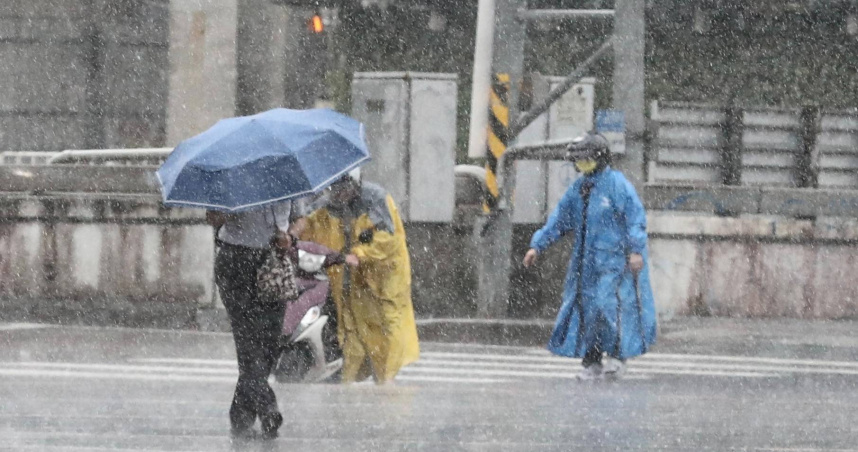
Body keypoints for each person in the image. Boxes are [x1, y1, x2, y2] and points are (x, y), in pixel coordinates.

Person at [522, 132, 657, 381]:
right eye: (578, 161)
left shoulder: (617, 185)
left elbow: (634, 219)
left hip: (614, 262)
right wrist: (537, 246)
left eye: (586, 160)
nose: (581, 165)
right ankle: (592, 360)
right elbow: (560, 219)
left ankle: (617, 356)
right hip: (585, 264)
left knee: (610, 307)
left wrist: (636, 250)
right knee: (588, 312)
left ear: (600, 158)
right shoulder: (579, 189)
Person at [294, 174, 419, 384]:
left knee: (386, 329)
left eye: (342, 190)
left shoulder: (376, 198)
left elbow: (389, 239)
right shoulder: (326, 206)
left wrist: (361, 253)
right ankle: (349, 380)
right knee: (351, 329)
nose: (337, 196)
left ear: (353, 185)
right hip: (350, 280)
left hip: (382, 280)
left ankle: (385, 378)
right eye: (333, 190)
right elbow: (307, 230)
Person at [207, 202, 297, 439]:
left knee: (269, 344)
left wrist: (289, 236)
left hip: (273, 262)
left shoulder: (286, 183)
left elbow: (301, 218)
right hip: (236, 260)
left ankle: (241, 414)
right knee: (248, 341)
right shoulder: (231, 183)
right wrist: (228, 209)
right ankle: (267, 406)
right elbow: (213, 217)